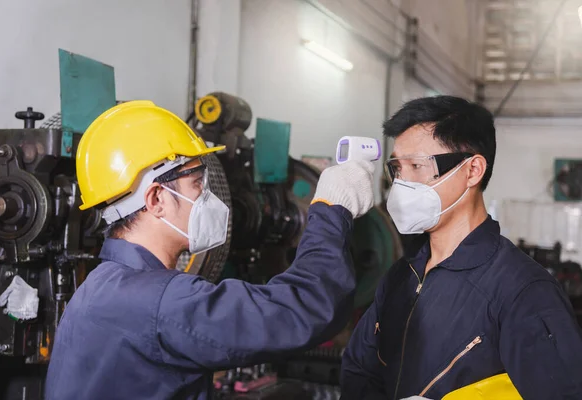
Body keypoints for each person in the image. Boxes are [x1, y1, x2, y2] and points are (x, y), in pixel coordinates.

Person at [45, 100, 376, 399]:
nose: (210, 198)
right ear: (156, 199)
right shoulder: (162, 301)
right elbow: (306, 307)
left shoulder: (97, 287)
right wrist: (331, 208)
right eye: (198, 185)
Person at [340, 96, 582, 400]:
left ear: (472, 171)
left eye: (417, 166)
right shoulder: (402, 276)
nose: (402, 183)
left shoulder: (522, 291)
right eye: (397, 168)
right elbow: (359, 372)